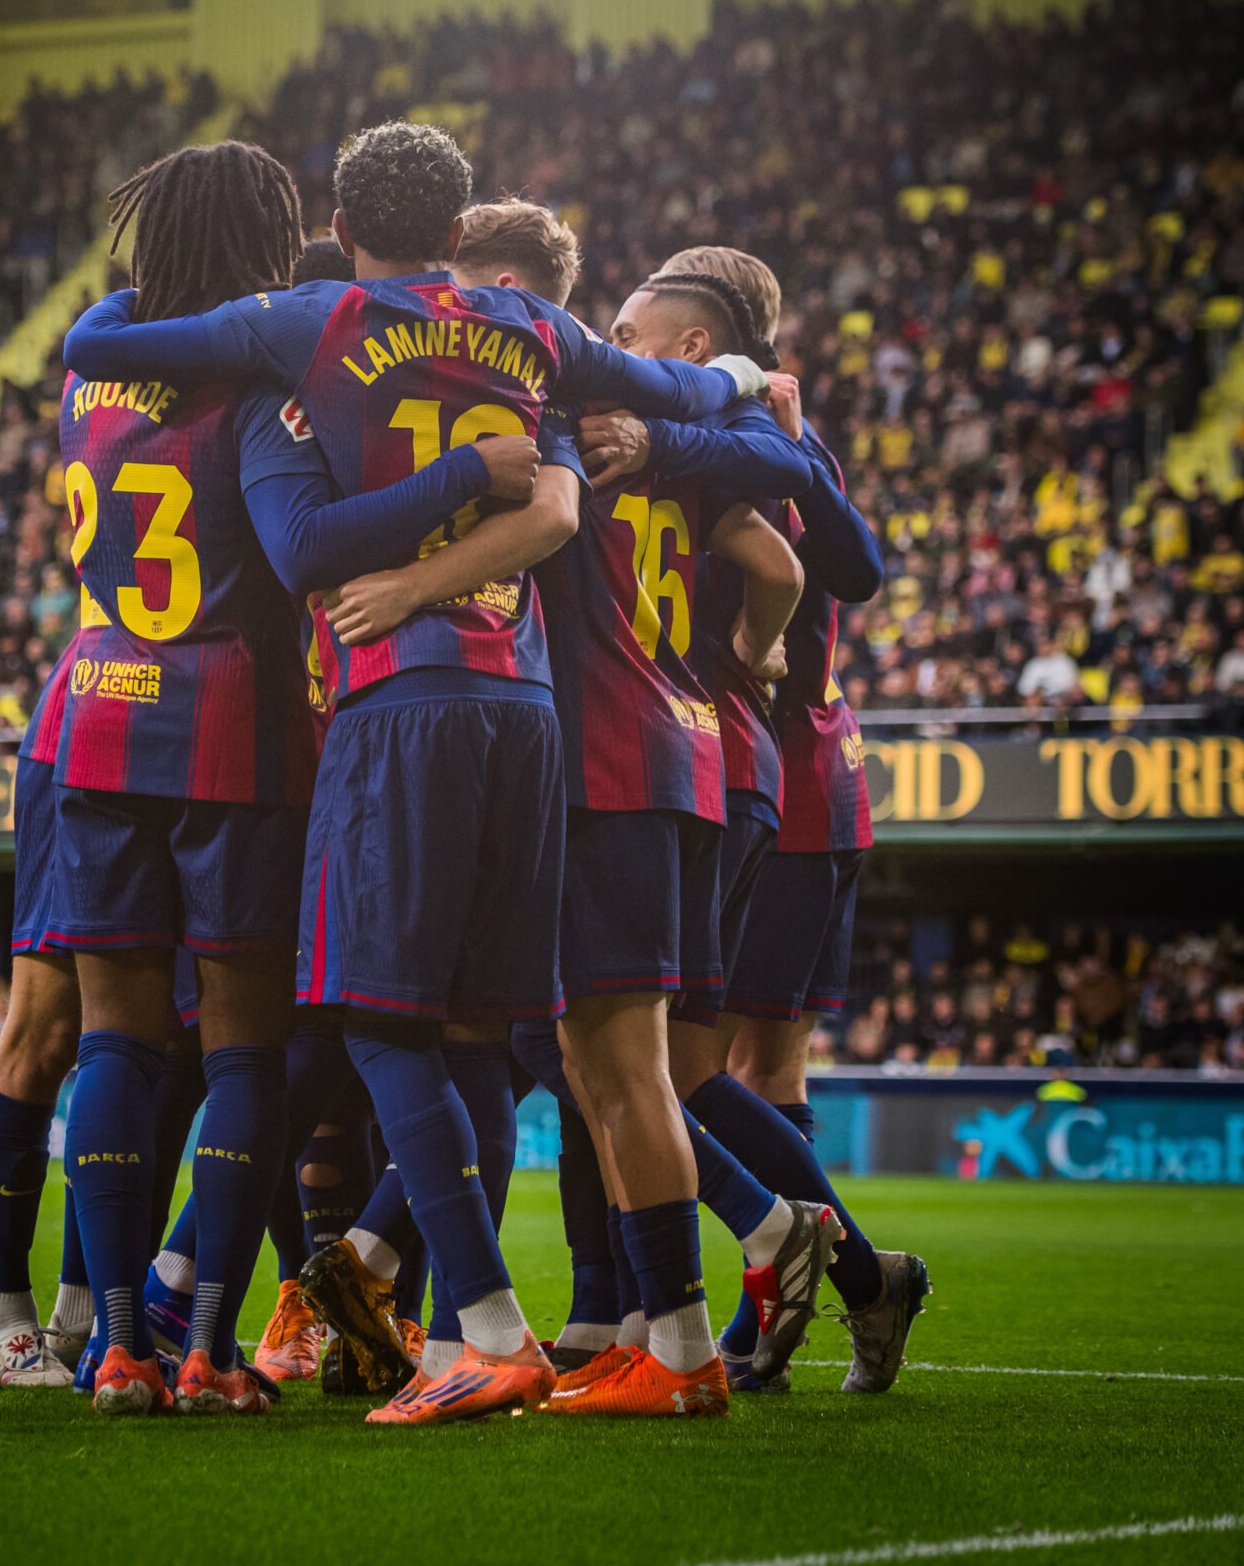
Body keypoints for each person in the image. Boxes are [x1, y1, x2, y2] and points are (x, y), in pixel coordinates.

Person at [62, 120, 771, 1426]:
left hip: (399, 699)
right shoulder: (535, 335)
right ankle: (583, 1336)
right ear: (458, 236)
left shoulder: (310, 321)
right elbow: (682, 399)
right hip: (529, 704)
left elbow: (100, 350)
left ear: (341, 228)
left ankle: (484, 1329)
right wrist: (739, 381)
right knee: (480, 1041)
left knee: (376, 1023)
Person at [53, 137, 546, 1418]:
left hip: (96, 711)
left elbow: (97, 331)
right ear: (282, 243)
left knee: (111, 1033)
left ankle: (113, 1341)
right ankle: (213, 1345)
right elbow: (299, 550)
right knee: (248, 1052)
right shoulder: (272, 386)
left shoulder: (95, 383)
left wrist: (132, 291)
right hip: (234, 724)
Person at [327, 200, 838, 1419]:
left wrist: (403, 580)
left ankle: (697, 1323)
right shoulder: (655, 436)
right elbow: (779, 557)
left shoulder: (565, 417)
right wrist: (750, 657)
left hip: (599, 760)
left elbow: (558, 516)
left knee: (617, 1063)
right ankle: (640, 1322)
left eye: (620, 326)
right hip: (682, 752)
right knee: (591, 1056)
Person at [652, 245, 930, 1394]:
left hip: (779, 773)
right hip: (818, 766)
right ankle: (817, 1300)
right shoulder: (771, 433)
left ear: (701, 343)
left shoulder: (743, 438)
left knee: (694, 1060)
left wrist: (791, 444)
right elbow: (859, 563)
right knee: (763, 1064)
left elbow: (853, 568)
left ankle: (850, 1275)